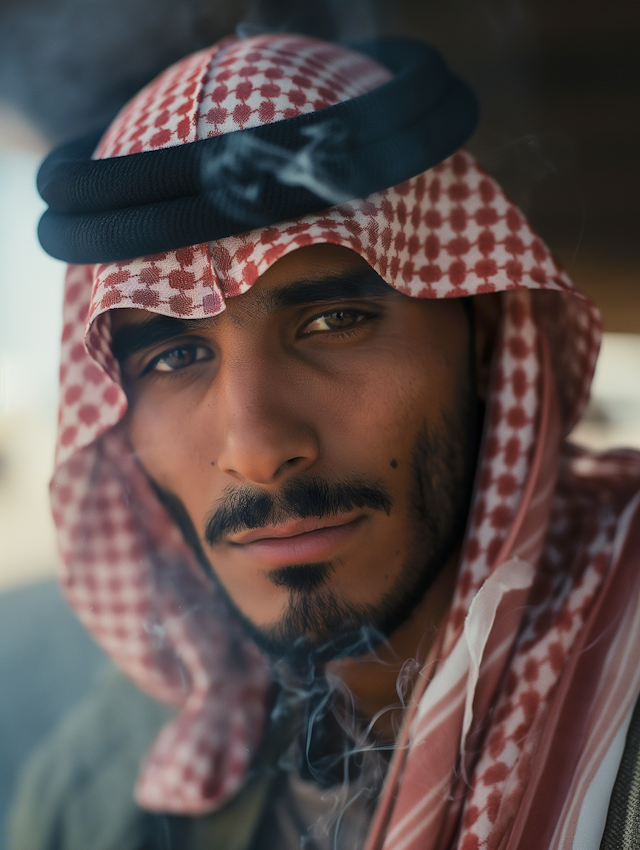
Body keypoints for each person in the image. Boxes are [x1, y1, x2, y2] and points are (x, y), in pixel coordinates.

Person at [8, 31, 640, 850]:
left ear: (485, 330)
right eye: (174, 355)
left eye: (335, 321)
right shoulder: (97, 786)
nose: (259, 449)